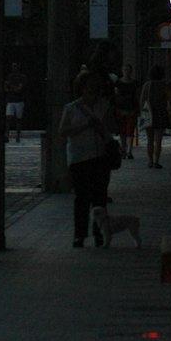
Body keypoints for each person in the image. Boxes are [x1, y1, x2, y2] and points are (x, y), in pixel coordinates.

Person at [58, 70, 118, 247]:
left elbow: (113, 127)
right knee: (81, 197)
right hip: (78, 158)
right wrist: (85, 125)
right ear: (81, 88)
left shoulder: (104, 105)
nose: (92, 90)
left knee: (100, 196)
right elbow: (62, 131)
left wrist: (103, 125)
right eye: (89, 86)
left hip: (100, 156)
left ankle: (100, 231)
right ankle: (80, 234)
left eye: (95, 86)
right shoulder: (71, 108)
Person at [139, 64, 170, 169]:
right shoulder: (164, 86)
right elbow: (168, 99)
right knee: (159, 140)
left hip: (149, 113)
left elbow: (142, 100)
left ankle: (150, 161)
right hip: (160, 113)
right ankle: (157, 161)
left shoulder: (147, 85)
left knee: (149, 140)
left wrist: (141, 113)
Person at [113, 62, 139, 159]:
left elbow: (137, 96)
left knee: (130, 131)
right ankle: (124, 149)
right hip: (121, 109)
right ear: (122, 71)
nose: (126, 72)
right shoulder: (118, 83)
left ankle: (129, 151)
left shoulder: (135, 83)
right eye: (125, 70)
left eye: (128, 70)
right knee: (122, 131)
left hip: (131, 109)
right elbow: (116, 96)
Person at [3, 60, 27, 142]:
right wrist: (12, 88)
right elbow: (6, 89)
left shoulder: (22, 77)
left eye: (15, 66)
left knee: (18, 119)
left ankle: (18, 136)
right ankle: (7, 135)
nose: (14, 68)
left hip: (19, 101)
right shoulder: (9, 76)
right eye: (13, 66)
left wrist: (10, 86)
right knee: (8, 118)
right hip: (10, 100)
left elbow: (18, 90)